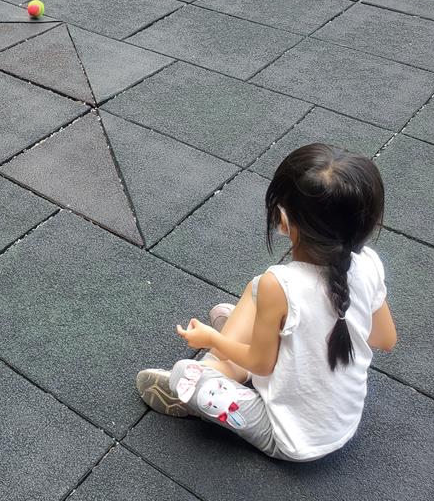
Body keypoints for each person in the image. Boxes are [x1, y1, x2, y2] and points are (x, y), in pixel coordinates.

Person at [136, 144, 398, 461]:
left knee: (184, 375)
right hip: (343, 423)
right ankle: (235, 353)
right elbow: (385, 339)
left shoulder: (281, 285)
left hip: (291, 437)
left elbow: (261, 365)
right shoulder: (368, 263)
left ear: (283, 220)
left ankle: (208, 372)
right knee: (256, 291)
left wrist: (212, 339)